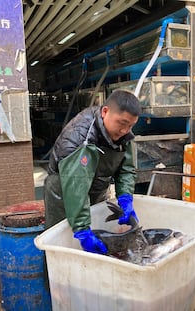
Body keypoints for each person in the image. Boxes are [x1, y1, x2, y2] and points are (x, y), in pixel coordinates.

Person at [44, 90, 141, 254]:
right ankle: (55, 279)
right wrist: (82, 230)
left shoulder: (123, 136)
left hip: (94, 187)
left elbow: (126, 169)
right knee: (62, 246)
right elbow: (77, 187)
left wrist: (125, 198)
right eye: (121, 123)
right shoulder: (82, 137)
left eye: (130, 125)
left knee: (96, 242)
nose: (125, 130)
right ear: (105, 112)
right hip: (64, 192)